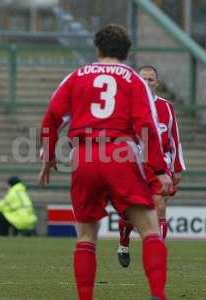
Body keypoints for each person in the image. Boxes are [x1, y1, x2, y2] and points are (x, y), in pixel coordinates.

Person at [38, 24, 172, 300]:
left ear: (97, 48)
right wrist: (159, 169)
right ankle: (158, 294)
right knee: (149, 227)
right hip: (119, 153)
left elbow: (53, 116)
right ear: (126, 52)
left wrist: (48, 156)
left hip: (85, 156)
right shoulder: (133, 79)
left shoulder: (77, 76)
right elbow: (146, 124)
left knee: (86, 235)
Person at [117, 65, 186, 267]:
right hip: (131, 165)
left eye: (151, 79)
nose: (147, 83)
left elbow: (174, 139)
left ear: (157, 82)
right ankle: (123, 243)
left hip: (159, 165)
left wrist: (177, 168)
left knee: (160, 207)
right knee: (130, 213)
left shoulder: (166, 107)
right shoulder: (125, 106)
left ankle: (158, 254)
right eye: (143, 79)